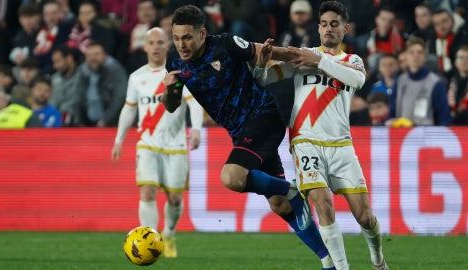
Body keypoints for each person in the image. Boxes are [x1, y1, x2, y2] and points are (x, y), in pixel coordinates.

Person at [162, 5, 335, 270]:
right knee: (279, 206)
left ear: (202, 34)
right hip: (239, 132)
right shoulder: (174, 61)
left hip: (263, 116)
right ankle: (329, 261)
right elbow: (172, 105)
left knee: (231, 177)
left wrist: (318, 59)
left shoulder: (226, 45)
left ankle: (292, 190)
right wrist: (170, 90)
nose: (181, 45)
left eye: (187, 37)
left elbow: (270, 52)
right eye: (176, 38)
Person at [252, 1, 389, 269]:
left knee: (364, 217)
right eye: (324, 24)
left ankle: (378, 259)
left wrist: (321, 61)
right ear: (318, 27)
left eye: (334, 24)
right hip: (305, 141)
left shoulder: (352, 61)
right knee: (322, 202)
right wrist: (260, 64)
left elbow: (358, 81)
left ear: (345, 29)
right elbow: (264, 79)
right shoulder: (303, 56)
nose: (328, 29)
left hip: (341, 145)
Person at [112, 27, 203, 258]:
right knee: (148, 193)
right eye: (151, 42)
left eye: (160, 42)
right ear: (145, 46)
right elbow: (128, 109)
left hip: (176, 145)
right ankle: (151, 240)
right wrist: (119, 139)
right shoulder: (137, 77)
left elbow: (194, 103)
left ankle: (169, 232)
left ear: (167, 46)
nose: (155, 46)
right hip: (147, 143)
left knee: (174, 198)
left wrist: (196, 130)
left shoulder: (180, 73)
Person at [389, 37, 452, 126]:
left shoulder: (435, 83)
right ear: (406, 56)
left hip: (427, 136)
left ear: (425, 56)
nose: (416, 56)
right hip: (402, 135)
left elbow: (444, 116)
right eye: (411, 52)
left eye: (419, 52)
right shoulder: (399, 82)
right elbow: (392, 111)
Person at [77, 41, 127, 127]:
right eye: (89, 55)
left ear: (105, 55)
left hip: (111, 124)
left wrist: (105, 121)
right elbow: (78, 98)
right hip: (89, 124)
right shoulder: (82, 72)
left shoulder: (115, 71)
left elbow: (119, 99)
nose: (93, 58)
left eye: (96, 54)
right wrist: (80, 121)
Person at [49, 44, 83, 126]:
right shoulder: (54, 79)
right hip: (57, 123)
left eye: (58, 61)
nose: (55, 66)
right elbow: (52, 102)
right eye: (54, 62)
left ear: (69, 59)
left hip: (80, 123)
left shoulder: (83, 75)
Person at [447, 45, 468, 125]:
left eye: (467, 58)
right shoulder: (449, 82)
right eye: (461, 58)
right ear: (455, 62)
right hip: (452, 125)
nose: (464, 61)